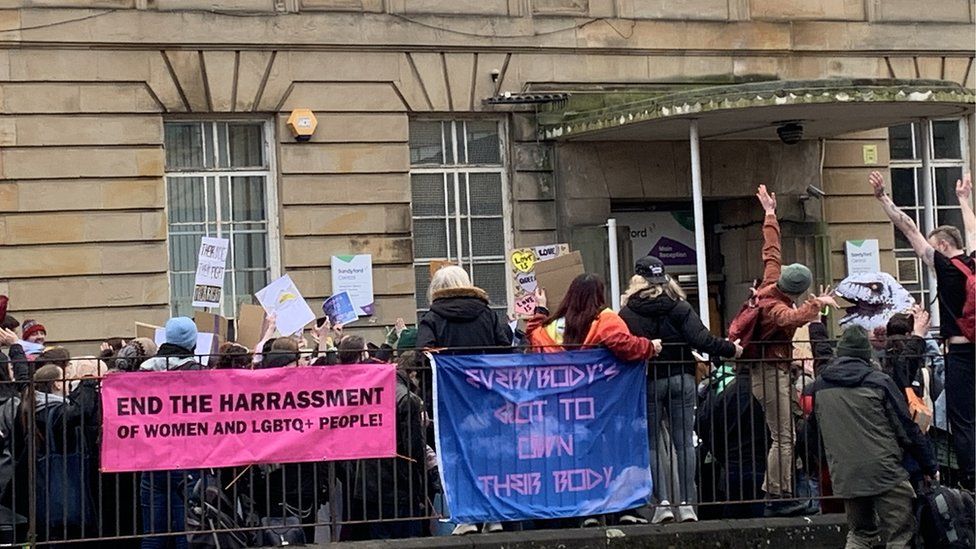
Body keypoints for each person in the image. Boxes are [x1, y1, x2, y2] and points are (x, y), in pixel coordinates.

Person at [527, 273, 661, 527]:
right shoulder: (606, 319)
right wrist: (649, 346)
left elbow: (534, 339)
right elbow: (624, 344)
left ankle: (586, 512)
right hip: (602, 404)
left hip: (564, 406)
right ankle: (623, 509)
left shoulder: (552, 327)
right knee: (613, 456)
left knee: (579, 460)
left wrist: (540, 309)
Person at [869, 170, 975, 489]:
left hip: (960, 351)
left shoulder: (945, 267)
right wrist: (963, 200)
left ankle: (971, 480)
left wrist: (883, 197)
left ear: (942, 245)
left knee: (963, 420)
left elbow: (908, 226)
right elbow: (972, 230)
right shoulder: (973, 263)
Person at [619, 258, 742, 524]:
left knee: (652, 443)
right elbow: (702, 339)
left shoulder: (628, 312)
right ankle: (686, 504)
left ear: (637, 281)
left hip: (649, 379)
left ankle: (662, 503)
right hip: (682, 377)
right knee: (684, 442)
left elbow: (624, 346)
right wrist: (731, 349)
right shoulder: (680, 306)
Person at [747, 185, 839, 516]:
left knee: (788, 432)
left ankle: (784, 486)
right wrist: (818, 305)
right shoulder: (777, 308)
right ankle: (777, 494)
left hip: (773, 373)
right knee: (783, 436)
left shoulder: (771, 283)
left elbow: (771, 252)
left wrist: (770, 214)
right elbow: (791, 317)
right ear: (798, 292)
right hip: (769, 374)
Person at [804, 326, 938, 549]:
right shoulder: (880, 382)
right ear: (867, 354)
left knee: (860, 534)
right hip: (885, 471)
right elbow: (906, 429)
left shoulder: (819, 387)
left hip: (846, 473)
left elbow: (811, 433)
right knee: (901, 533)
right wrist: (929, 465)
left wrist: (820, 463)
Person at [415, 266, 511, 535]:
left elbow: (423, 355)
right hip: (486, 399)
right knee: (489, 458)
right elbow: (505, 351)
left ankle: (466, 518)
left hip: (449, 401)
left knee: (455, 458)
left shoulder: (432, 318)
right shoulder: (488, 315)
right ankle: (493, 516)